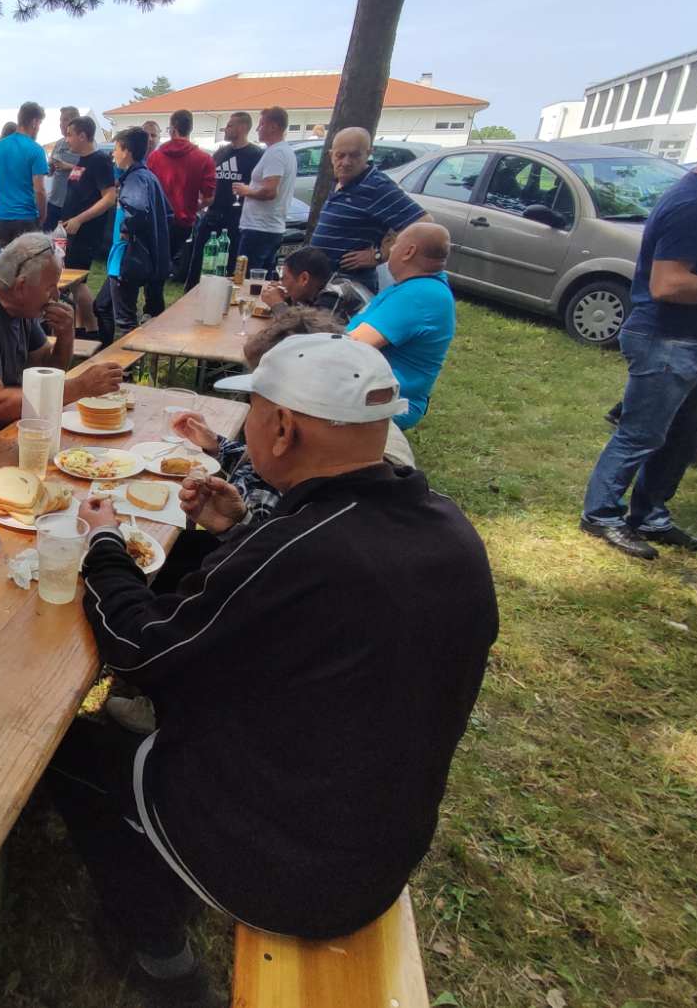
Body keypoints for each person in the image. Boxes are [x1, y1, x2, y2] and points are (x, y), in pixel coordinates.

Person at [49, 334, 496, 992]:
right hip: (380, 834)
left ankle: (159, 956)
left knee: (65, 755)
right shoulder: (447, 528)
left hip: (292, 871)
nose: (250, 424)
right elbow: (313, 607)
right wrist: (241, 532)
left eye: (253, 409)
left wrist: (105, 545)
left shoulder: (304, 550)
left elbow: (144, 650)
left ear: (282, 429)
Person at [581, 98, 697, 561]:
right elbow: (668, 284)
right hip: (667, 338)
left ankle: (650, 515)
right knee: (642, 434)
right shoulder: (693, 202)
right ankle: (601, 514)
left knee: (688, 436)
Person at [0, 232, 124, 426]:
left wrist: (65, 336)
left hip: (15, 426)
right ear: (22, 286)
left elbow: (47, 373)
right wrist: (79, 387)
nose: (56, 296)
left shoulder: (22, 308)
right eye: (51, 287)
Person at [347, 221, 456, 430]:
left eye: (395, 245)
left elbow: (354, 344)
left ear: (409, 252)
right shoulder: (417, 287)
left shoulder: (419, 295)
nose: (391, 250)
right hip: (369, 388)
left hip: (382, 401)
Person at [311, 127, 431, 292]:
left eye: (354, 155)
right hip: (325, 283)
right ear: (331, 155)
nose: (346, 162)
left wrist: (379, 255)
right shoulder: (343, 181)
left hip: (349, 288)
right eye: (340, 155)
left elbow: (425, 224)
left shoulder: (377, 186)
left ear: (368, 153)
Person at [94, 127, 172, 344]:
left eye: (116, 149)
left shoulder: (136, 179)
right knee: (101, 306)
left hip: (126, 260)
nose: (113, 154)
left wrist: (127, 230)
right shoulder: (148, 177)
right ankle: (106, 354)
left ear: (126, 151)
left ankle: (127, 369)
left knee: (125, 320)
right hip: (123, 260)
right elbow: (168, 212)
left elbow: (137, 210)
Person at [184, 112, 262, 290]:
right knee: (199, 259)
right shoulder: (221, 153)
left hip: (236, 216)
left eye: (230, 125)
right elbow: (207, 179)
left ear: (242, 128)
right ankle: (192, 292)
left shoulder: (255, 154)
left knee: (227, 262)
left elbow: (259, 185)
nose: (226, 129)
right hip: (212, 213)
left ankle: (222, 295)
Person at [57, 115, 117, 334]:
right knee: (73, 280)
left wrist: (80, 219)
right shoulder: (82, 161)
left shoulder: (99, 161)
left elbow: (109, 197)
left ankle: (93, 327)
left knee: (77, 280)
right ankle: (80, 327)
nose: (67, 139)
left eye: (70, 134)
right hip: (70, 228)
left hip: (86, 231)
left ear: (83, 135)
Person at [148, 109, 214, 273]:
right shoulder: (204, 159)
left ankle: (153, 294)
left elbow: (147, 189)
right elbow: (208, 198)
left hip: (157, 219)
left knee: (152, 263)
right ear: (190, 129)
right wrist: (192, 207)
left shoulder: (156, 156)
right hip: (183, 222)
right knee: (165, 261)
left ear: (173, 129)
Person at [231, 106, 296, 272]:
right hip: (266, 228)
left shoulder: (277, 153)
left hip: (260, 229)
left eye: (261, 124)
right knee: (260, 280)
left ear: (273, 126)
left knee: (245, 278)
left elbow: (270, 191)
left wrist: (247, 191)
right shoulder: (280, 151)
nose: (258, 129)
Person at [0, 101, 50, 245]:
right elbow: (40, 190)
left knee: (4, 263)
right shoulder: (36, 150)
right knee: (29, 264)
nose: (38, 128)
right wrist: (42, 216)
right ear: (34, 122)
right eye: (39, 124)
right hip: (26, 216)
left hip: (1, 216)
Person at [260, 244, 371, 323]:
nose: (281, 284)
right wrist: (287, 300)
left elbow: (309, 336)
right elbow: (303, 317)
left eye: (285, 279)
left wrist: (278, 305)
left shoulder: (333, 294)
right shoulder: (315, 289)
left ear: (304, 278)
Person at [44, 105, 82, 234]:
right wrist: (50, 167)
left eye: (64, 120)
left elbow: (88, 171)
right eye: (60, 120)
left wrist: (68, 167)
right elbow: (50, 173)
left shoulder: (85, 143)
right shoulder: (59, 143)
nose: (61, 124)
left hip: (71, 204)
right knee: (47, 241)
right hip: (54, 201)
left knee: (66, 243)